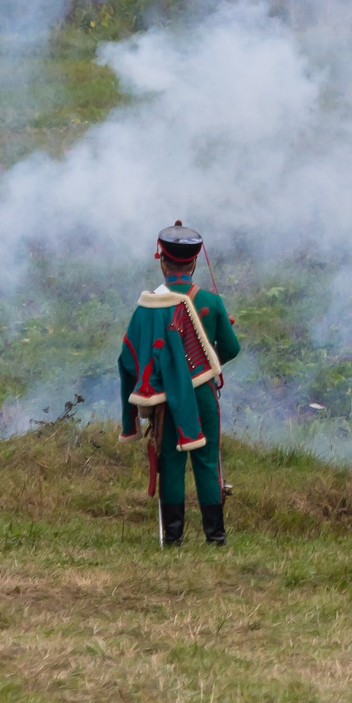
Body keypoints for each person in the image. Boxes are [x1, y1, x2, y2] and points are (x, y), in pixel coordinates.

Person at [118, 221, 242, 546]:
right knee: (206, 461)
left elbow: (130, 356)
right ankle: (215, 537)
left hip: (166, 396)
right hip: (202, 394)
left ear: (162, 260)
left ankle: (173, 539)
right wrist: (207, 359)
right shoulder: (211, 302)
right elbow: (231, 348)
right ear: (195, 262)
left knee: (171, 462)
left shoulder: (148, 306)